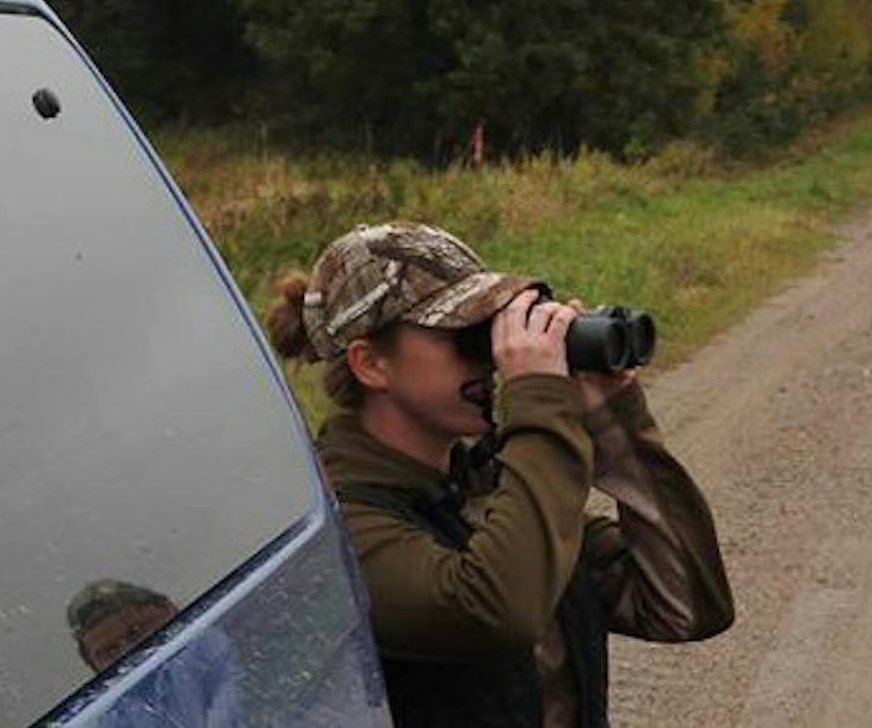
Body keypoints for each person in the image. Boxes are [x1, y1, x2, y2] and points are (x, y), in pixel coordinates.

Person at [264, 222, 732, 728]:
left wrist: (615, 422)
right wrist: (543, 403)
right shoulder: (336, 530)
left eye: (492, 329)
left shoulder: (485, 491)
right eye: (467, 337)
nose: (489, 361)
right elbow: (496, 609)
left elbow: (685, 604)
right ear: (372, 363)